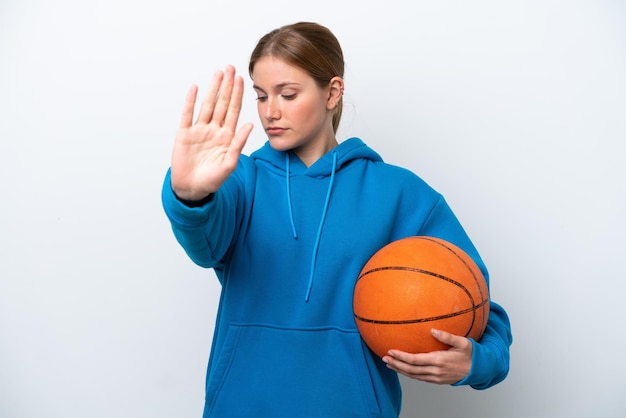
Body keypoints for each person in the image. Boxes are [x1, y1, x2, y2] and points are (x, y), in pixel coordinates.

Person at [162, 21, 512, 417]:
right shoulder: (239, 181)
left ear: (332, 92)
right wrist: (189, 194)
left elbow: (478, 303)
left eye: (287, 94)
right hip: (241, 406)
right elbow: (202, 244)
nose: (270, 112)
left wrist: (479, 362)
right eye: (261, 96)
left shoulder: (399, 194)